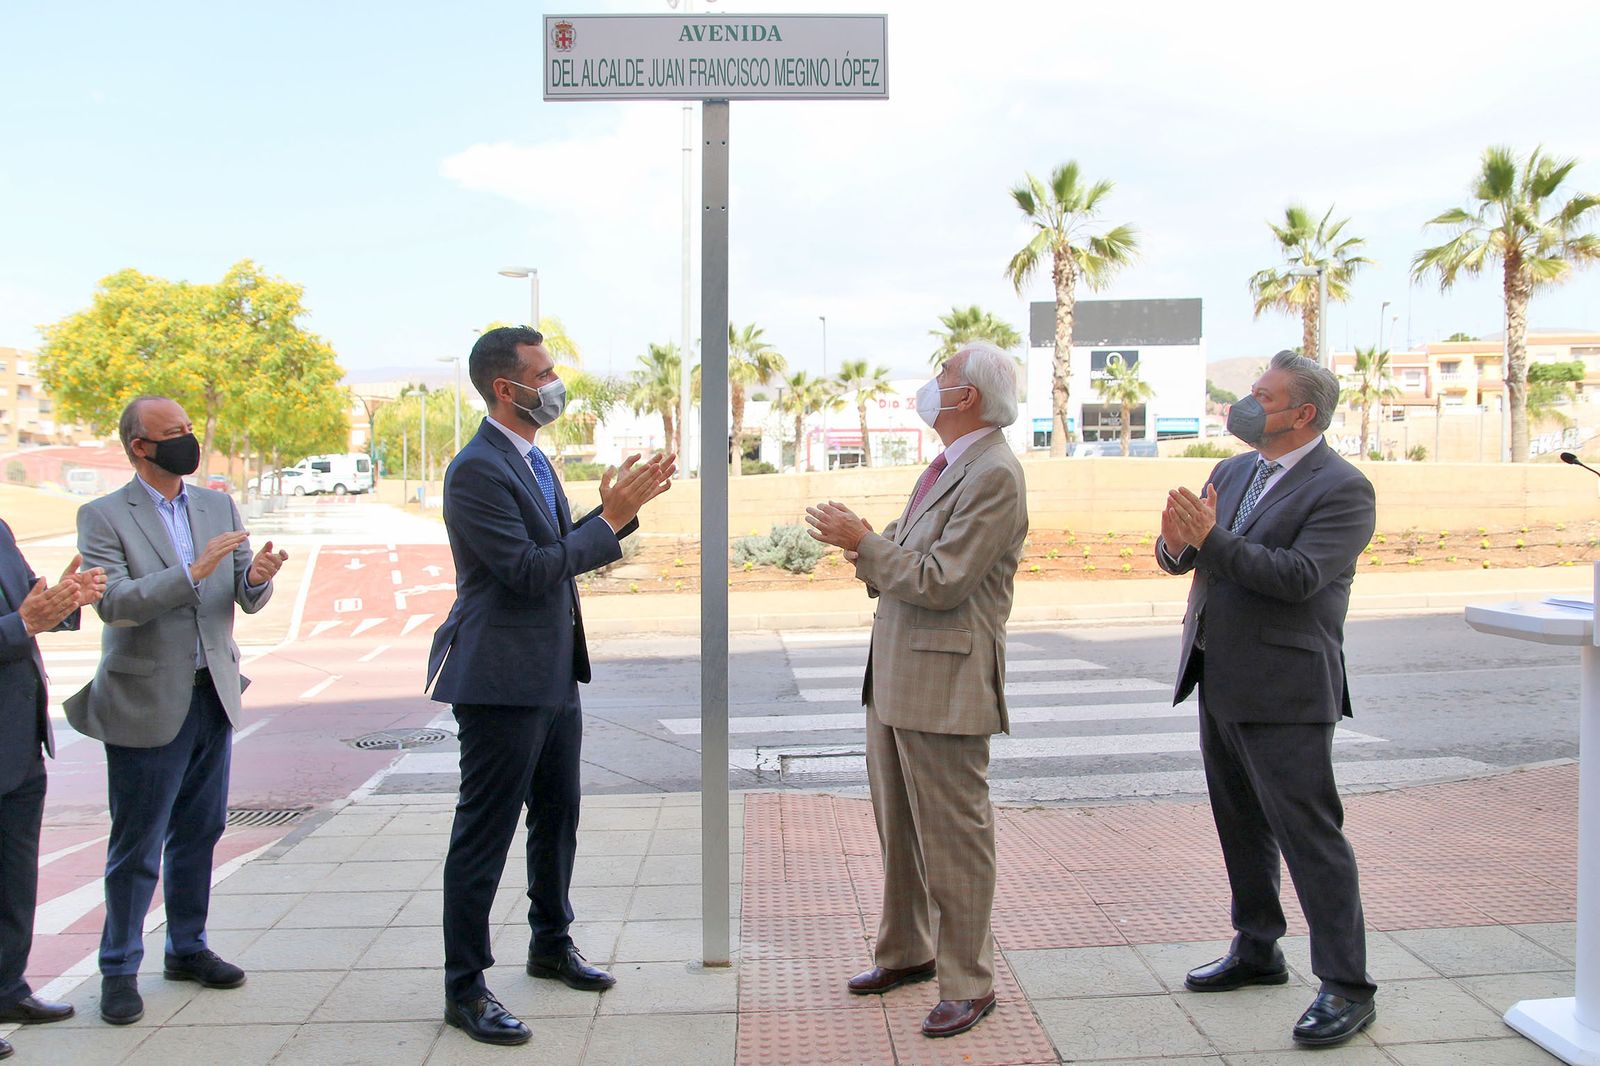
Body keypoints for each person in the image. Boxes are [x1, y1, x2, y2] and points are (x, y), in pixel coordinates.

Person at [427, 326, 675, 1046]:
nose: (555, 383)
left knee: (557, 816)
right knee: (484, 833)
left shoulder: (531, 458)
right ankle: (465, 987)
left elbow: (553, 549)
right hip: (500, 679)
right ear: (506, 388)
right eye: (543, 374)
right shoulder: (476, 469)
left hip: (552, 671)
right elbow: (528, 570)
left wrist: (609, 515)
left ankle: (550, 943)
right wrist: (612, 521)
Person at [1156, 350, 1379, 1048]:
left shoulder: (1342, 488)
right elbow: (1190, 554)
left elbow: (1297, 577)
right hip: (1218, 674)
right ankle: (1257, 948)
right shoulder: (1232, 471)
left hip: (1287, 688)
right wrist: (1175, 545)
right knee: (1240, 825)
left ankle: (1347, 985)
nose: (1246, 406)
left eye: (1264, 396)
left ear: (1303, 414)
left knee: (1310, 838)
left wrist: (1209, 539)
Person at [806, 341, 1027, 1039]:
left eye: (944, 376)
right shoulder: (948, 466)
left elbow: (943, 580)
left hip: (946, 682)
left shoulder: (994, 474)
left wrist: (866, 542)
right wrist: (864, 542)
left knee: (954, 839)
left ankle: (968, 982)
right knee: (899, 829)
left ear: (967, 398)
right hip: (898, 675)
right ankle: (907, 952)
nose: (932, 385)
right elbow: (905, 557)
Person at [66, 396, 287, 1026]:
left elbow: (244, 596)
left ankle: (187, 948)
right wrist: (193, 571)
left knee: (200, 830)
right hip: (144, 699)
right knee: (136, 844)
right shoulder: (103, 515)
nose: (187, 440)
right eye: (173, 433)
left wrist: (258, 576)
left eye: (190, 429)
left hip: (212, 690)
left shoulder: (217, 505)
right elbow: (115, 604)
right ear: (140, 446)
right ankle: (118, 970)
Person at [0, 524, 104, 1058]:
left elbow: (27, 605)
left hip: (18, 738)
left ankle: (7, 988)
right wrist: (21, 624)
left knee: (14, 881)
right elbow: (18, 621)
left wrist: (63, 601)